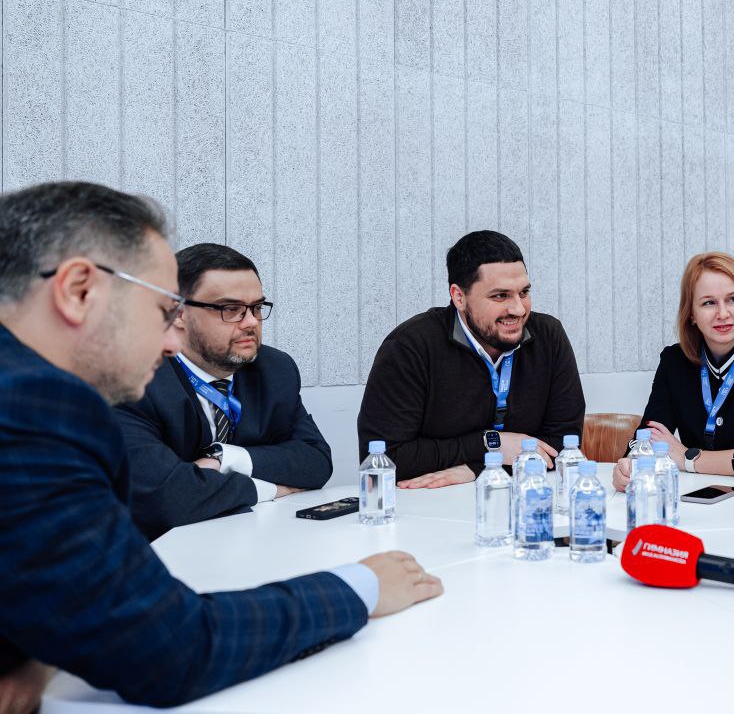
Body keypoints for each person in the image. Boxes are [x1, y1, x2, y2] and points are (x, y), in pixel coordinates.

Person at [0, 182, 441, 709]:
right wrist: (359, 586)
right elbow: (170, 648)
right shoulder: (32, 407)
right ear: (78, 291)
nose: (172, 340)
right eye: (161, 312)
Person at [116, 244, 331, 539]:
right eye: (231, 310)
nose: (251, 322)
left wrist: (225, 459)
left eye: (256, 308)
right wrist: (267, 489)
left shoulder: (274, 369)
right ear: (178, 313)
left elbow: (316, 461)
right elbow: (165, 498)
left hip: (252, 541)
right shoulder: (135, 378)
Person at [357, 230, 585, 489]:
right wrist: (489, 444)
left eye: (524, 293)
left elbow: (564, 446)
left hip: (525, 495)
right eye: (500, 296)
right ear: (459, 297)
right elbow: (383, 459)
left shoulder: (549, 336)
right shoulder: (410, 347)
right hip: (432, 505)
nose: (519, 309)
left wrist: (477, 468)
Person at [612, 252, 734, 492]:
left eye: (733, 299)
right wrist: (630, 464)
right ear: (691, 314)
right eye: (708, 303)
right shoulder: (674, 361)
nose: (722, 313)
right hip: (698, 499)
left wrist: (689, 458)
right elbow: (650, 435)